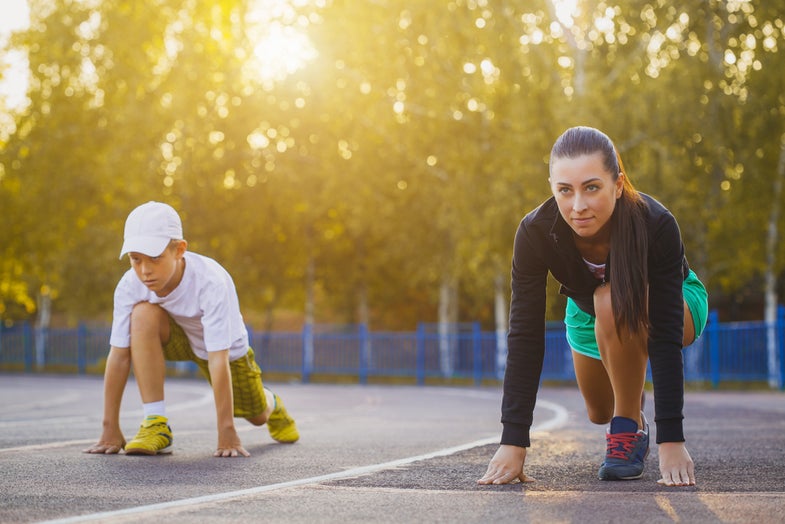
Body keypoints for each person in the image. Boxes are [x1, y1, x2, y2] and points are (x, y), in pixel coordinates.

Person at [478, 126, 708, 486]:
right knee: (600, 410)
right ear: (552, 187)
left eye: (592, 187)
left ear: (617, 184)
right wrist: (513, 440)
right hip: (586, 310)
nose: (578, 205)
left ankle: (628, 428)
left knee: (611, 299)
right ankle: (627, 414)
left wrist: (672, 439)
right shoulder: (535, 233)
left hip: (673, 301)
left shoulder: (656, 223)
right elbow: (525, 335)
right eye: (564, 191)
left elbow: (663, 334)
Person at [85, 201, 299, 457]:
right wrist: (110, 427)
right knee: (142, 315)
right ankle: (156, 424)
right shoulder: (129, 286)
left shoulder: (211, 281)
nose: (144, 271)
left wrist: (226, 431)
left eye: (155, 258)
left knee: (256, 416)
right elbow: (119, 355)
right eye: (135, 259)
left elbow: (218, 359)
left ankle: (272, 403)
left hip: (223, 352)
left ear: (179, 250)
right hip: (176, 337)